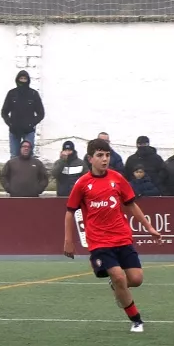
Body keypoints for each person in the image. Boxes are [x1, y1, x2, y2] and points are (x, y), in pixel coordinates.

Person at [63, 137, 160, 333]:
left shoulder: (117, 178)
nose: (105, 159)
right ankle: (136, 320)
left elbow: (131, 205)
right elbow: (70, 212)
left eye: (107, 155)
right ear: (90, 159)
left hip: (122, 238)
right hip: (99, 242)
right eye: (100, 155)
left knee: (136, 279)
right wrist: (68, 240)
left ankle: (116, 285)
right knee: (118, 276)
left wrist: (149, 228)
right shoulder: (82, 184)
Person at [0, 69, 45, 157]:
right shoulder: (12, 93)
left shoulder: (33, 94)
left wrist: (31, 123)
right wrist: (10, 123)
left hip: (28, 131)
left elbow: (41, 113)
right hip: (14, 130)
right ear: (17, 79)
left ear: (28, 80)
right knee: (14, 155)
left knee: (28, 155)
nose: (23, 81)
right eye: (21, 78)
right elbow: (4, 112)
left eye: (25, 79)